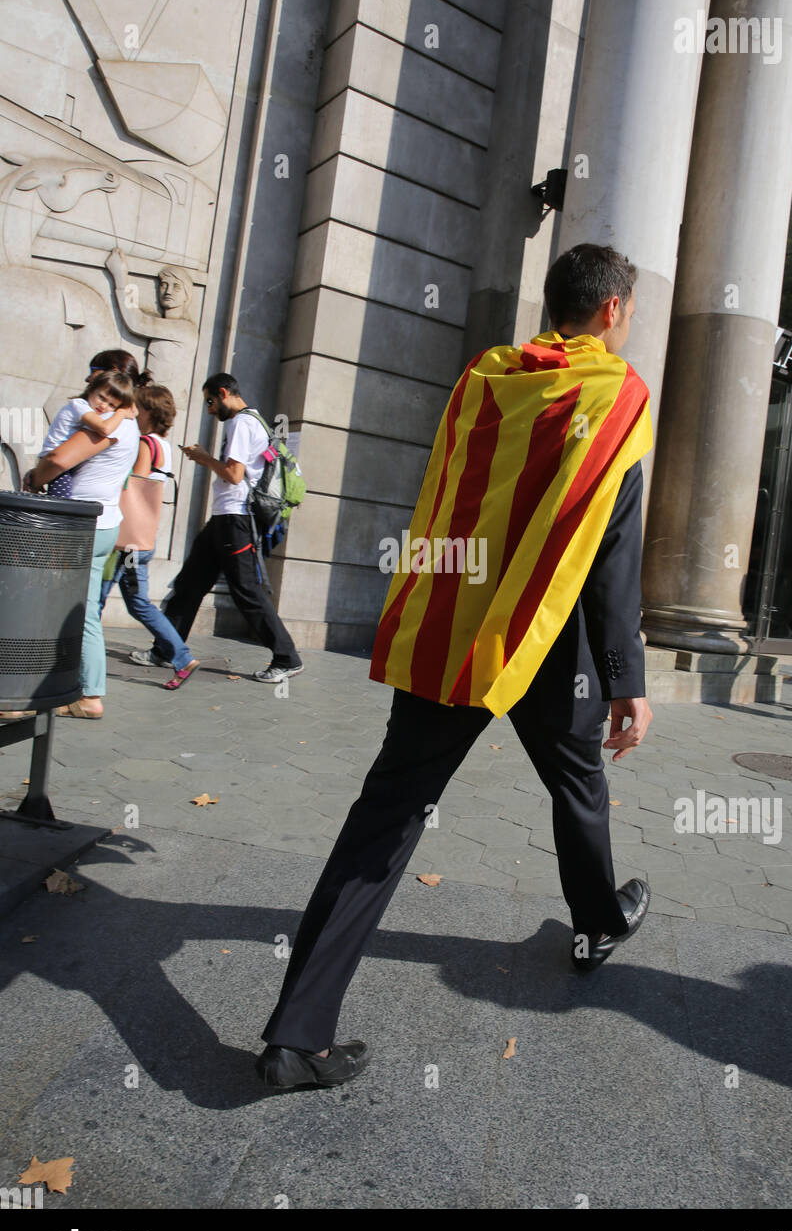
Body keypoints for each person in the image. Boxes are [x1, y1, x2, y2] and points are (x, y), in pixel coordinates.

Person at [257, 243, 654, 1092]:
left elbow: (449, 494)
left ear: (556, 302)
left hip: (458, 628)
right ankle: (595, 925)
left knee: (388, 816)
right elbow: (612, 554)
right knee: (578, 784)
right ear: (614, 311)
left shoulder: (486, 380)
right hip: (551, 643)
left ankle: (297, 1035)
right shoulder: (617, 398)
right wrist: (626, 679)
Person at [131, 373, 303, 683]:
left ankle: (286, 657)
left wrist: (203, 458)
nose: (209, 409)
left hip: (235, 519)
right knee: (190, 584)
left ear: (224, 393)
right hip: (223, 520)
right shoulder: (251, 422)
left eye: (210, 401)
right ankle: (165, 650)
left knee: (247, 591)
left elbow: (235, 474)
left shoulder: (240, 422)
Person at [25, 365, 142, 718]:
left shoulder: (106, 422)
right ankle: (77, 689)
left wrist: (35, 476)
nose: (102, 402)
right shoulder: (130, 422)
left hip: (82, 524)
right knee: (79, 606)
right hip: (102, 522)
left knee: (69, 607)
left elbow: (60, 459)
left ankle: (84, 694)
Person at [100, 382, 200, 690]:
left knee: (99, 599)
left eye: (136, 408)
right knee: (137, 602)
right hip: (141, 538)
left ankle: (71, 658)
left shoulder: (145, 443)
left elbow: (134, 486)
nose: (132, 413)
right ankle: (182, 658)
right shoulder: (164, 445)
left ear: (148, 411)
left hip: (126, 539)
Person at [38, 371, 137, 499]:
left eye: (111, 405)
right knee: (60, 508)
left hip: (64, 463)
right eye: (101, 397)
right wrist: (121, 413)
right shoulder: (80, 405)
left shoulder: (89, 409)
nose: (103, 405)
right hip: (54, 461)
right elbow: (104, 429)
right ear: (91, 390)